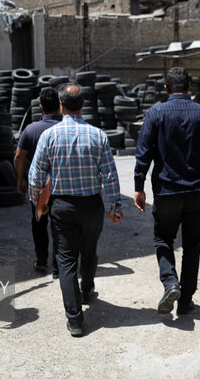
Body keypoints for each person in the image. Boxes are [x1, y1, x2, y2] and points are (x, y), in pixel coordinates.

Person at [29, 83, 123, 337]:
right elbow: (110, 175)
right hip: (92, 205)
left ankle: (75, 319)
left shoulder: (50, 136)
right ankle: (88, 287)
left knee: (66, 259)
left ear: (61, 106)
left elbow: (36, 175)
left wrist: (38, 201)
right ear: (82, 105)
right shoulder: (98, 135)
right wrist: (115, 205)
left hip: (63, 207)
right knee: (89, 250)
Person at [134, 67, 200, 316]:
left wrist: (138, 187)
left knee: (162, 238)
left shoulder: (155, 114)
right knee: (192, 245)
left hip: (166, 191)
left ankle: (170, 283)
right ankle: (185, 300)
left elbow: (143, 154)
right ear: (189, 87)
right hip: (196, 191)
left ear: (166, 88)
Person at [14, 87, 62, 278]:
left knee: (39, 223)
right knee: (60, 226)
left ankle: (41, 261)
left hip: (38, 188)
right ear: (60, 106)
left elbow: (18, 157)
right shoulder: (66, 128)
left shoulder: (31, 129)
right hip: (63, 187)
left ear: (41, 107)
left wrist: (20, 178)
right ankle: (59, 266)